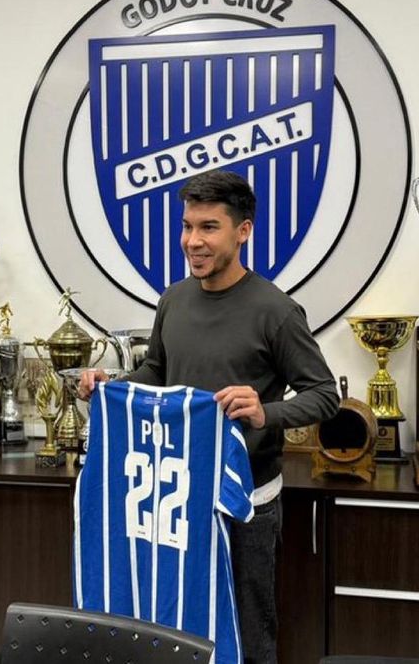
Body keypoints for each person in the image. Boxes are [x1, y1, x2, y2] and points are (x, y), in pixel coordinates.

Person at [78, 169, 339, 664]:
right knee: (175, 623)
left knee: (246, 627)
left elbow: (324, 394)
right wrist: (114, 385)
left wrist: (267, 411)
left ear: (243, 231)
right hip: (174, 493)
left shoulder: (276, 311)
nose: (192, 241)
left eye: (208, 228)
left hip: (245, 503)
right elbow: (158, 369)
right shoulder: (173, 298)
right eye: (187, 226)